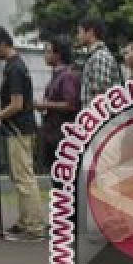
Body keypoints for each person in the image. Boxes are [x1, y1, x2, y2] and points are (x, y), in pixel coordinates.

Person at [0, 27, 45, 241]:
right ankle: (27, 220)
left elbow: (17, 104)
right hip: (20, 127)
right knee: (21, 176)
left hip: (19, 128)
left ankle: (34, 226)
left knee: (24, 178)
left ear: (1, 44)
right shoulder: (15, 66)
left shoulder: (14, 68)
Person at [34, 37, 79, 170]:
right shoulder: (56, 75)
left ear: (58, 54)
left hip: (61, 133)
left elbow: (70, 104)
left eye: (48, 52)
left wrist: (46, 105)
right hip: (52, 131)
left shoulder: (67, 76)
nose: (45, 56)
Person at [76, 17, 121, 107]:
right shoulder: (94, 56)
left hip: (98, 117)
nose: (78, 36)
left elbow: (100, 94)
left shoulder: (99, 57)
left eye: (79, 32)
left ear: (90, 32)